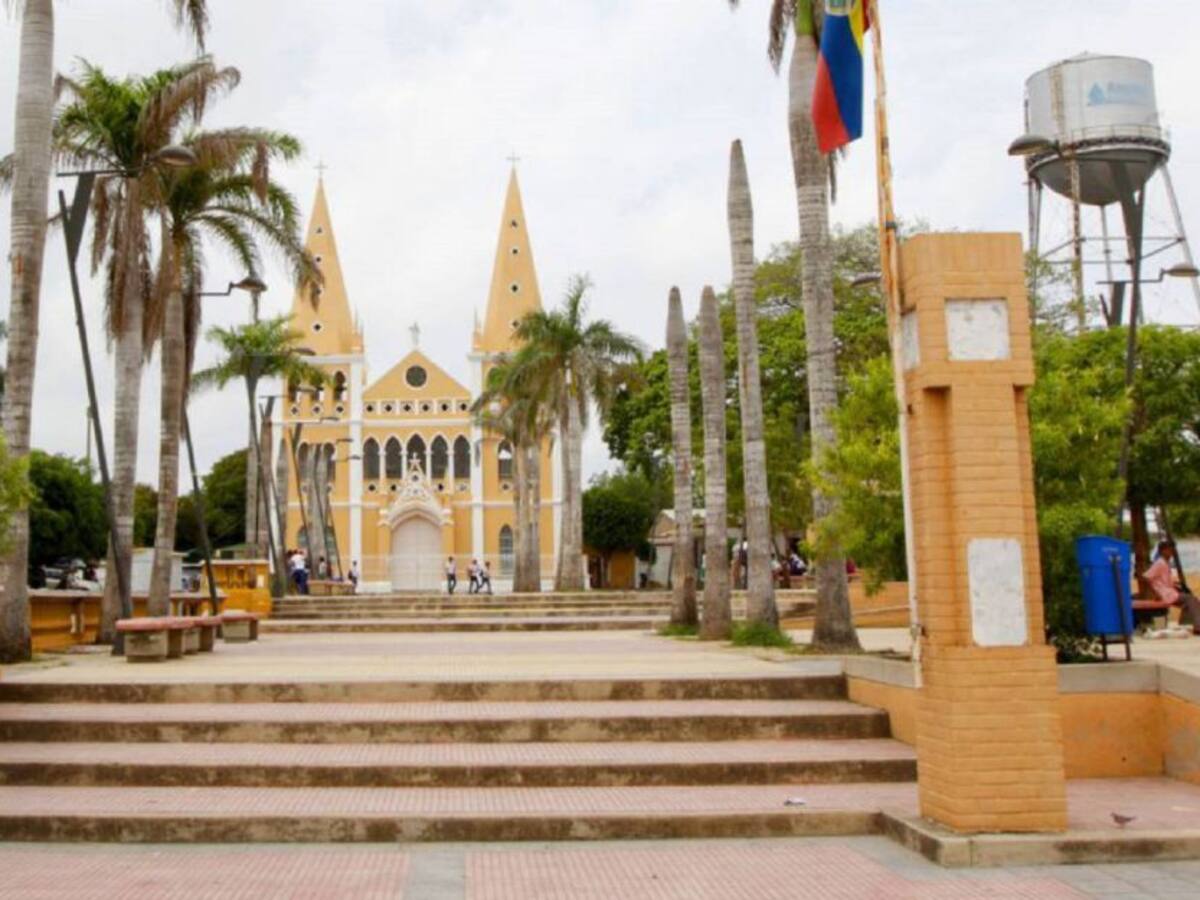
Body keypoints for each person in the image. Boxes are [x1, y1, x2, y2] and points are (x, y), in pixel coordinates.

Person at [1144, 540, 1200, 633]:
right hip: (1165, 593)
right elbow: (1147, 577)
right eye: (1170, 549)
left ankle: (1190, 624)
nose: (1172, 551)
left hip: (1169, 592)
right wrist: (1156, 593)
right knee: (1190, 599)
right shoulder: (1159, 563)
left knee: (1192, 600)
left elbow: (1164, 580)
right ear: (1162, 551)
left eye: (1173, 549)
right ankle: (1198, 626)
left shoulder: (1165, 563)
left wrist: (1175, 584)